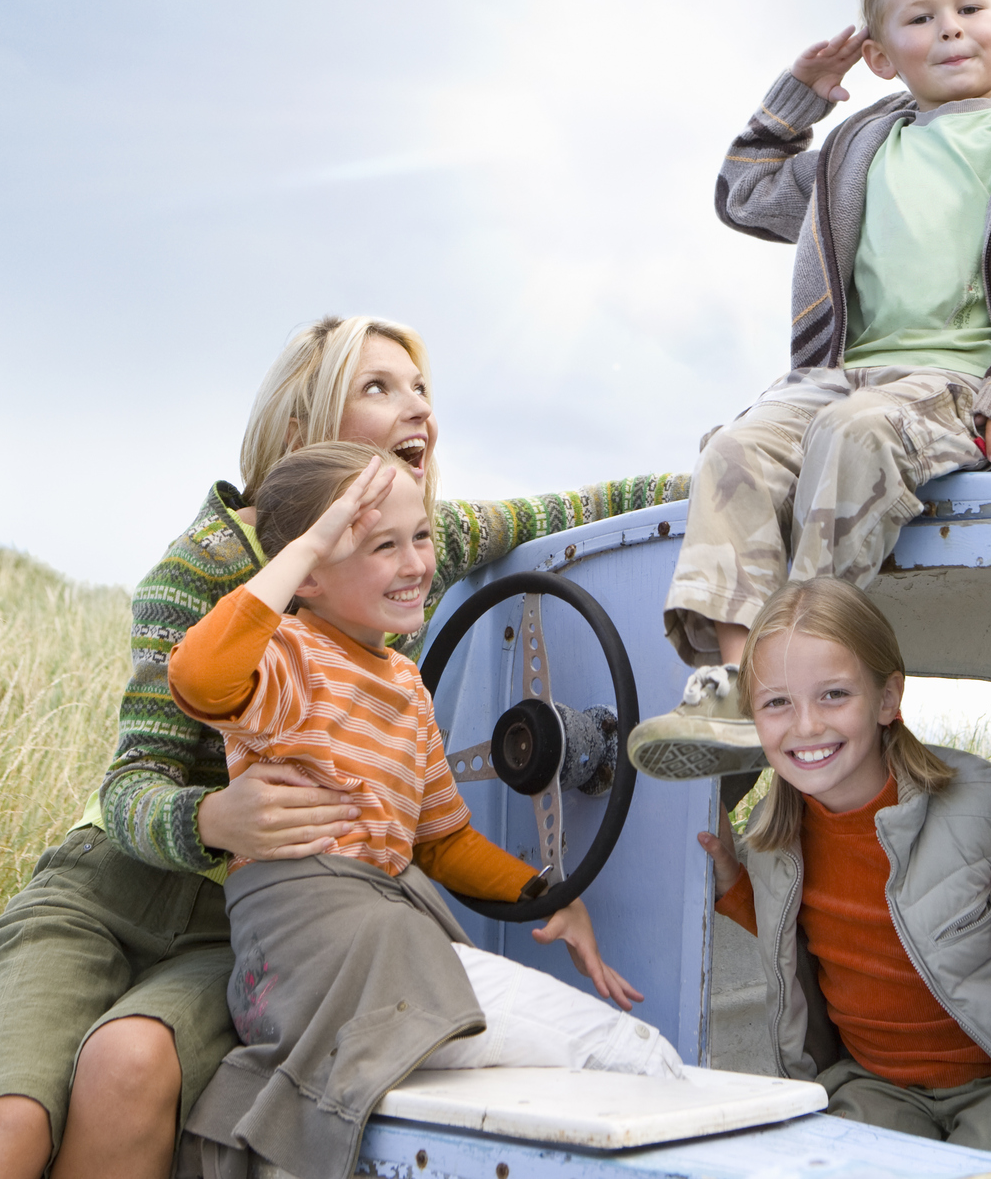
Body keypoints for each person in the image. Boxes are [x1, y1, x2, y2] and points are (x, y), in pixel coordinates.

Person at [0, 314, 688, 1179]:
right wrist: (215, 815)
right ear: (300, 433)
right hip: (119, 885)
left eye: (421, 390)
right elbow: (141, 773)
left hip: (243, 930)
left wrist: (724, 476)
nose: (419, 413)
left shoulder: (407, 553)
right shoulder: (212, 580)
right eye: (378, 388)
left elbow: (574, 511)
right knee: (12, 1121)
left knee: (128, 1064)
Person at [632, 0, 991, 784]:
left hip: (956, 381)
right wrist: (800, 99)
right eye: (920, 20)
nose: (950, 29)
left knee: (853, 436)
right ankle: (741, 684)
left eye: (968, 8)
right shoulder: (856, 149)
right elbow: (744, 197)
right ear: (882, 59)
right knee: (735, 448)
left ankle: (805, 682)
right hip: (836, 374)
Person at [169, 443, 676, 1179]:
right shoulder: (291, 660)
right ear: (308, 573)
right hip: (332, 946)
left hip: (379, 936)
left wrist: (549, 896)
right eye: (381, 545)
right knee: (633, 1056)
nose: (415, 565)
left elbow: (444, 840)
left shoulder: (405, 686)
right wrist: (310, 542)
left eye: (422, 537)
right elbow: (196, 672)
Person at [695, 577, 991, 1151]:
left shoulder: (974, 810)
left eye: (833, 695)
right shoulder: (776, 840)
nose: (806, 726)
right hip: (875, 1084)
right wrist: (730, 878)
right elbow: (809, 927)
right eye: (777, 703)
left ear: (888, 699)